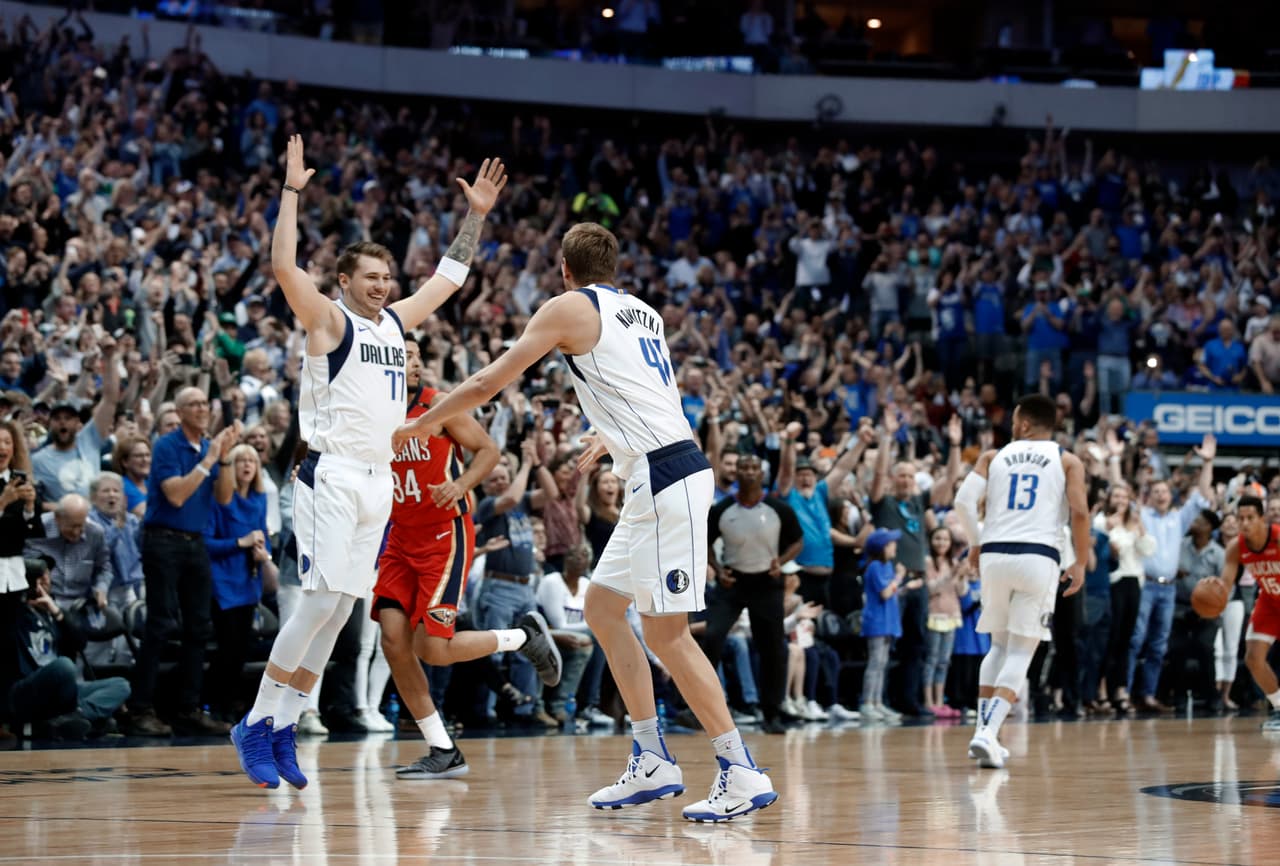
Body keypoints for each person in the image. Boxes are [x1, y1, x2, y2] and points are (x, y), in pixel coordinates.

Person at [394, 222, 777, 822]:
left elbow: (488, 380)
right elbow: (649, 393)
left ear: (564, 269)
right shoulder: (642, 312)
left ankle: (740, 768)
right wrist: (613, 435)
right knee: (601, 606)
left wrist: (423, 422)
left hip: (664, 476)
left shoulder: (569, 306)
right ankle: (651, 757)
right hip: (660, 465)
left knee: (667, 635)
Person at [231, 137, 508, 791]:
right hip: (330, 471)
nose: (383, 286)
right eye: (371, 278)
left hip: (377, 481)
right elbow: (283, 265)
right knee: (317, 604)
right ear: (346, 282)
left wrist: (477, 217)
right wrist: (292, 192)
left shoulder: (394, 324)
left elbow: (448, 279)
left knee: (337, 614)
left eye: (388, 278)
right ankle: (257, 723)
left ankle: (284, 726)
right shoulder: (328, 320)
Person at [375, 338, 558, 781]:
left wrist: (461, 486)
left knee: (433, 650)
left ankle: (522, 636)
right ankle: (442, 748)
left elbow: (489, 452)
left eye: (418, 356)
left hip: (444, 535)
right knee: (394, 642)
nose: (414, 363)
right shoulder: (371, 412)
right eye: (405, 356)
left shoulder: (440, 405)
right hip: (400, 537)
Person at [954, 394, 1090, 769]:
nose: (1011, 427)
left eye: (1014, 420)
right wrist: (1080, 560)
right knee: (1021, 651)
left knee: (997, 646)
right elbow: (1079, 511)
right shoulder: (1067, 460)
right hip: (1037, 555)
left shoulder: (992, 456)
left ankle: (986, 736)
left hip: (995, 554)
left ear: (1025, 424)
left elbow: (964, 503)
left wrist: (975, 543)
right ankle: (987, 732)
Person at [129, 389, 240, 737]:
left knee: (199, 628)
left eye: (205, 403)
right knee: (160, 623)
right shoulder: (166, 445)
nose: (202, 408)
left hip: (195, 543)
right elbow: (176, 495)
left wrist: (223, 458)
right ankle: (140, 709)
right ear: (179, 410)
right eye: (194, 403)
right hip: (162, 540)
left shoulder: (208, 447)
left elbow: (224, 497)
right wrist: (208, 460)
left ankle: (188, 708)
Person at [704, 452, 806, 733]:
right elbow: (704, 542)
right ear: (735, 473)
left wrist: (782, 562)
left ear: (762, 473)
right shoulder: (722, 509)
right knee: (712, 636)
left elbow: (798, 540)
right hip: (733, 582)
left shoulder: (778, 508)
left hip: (767, 583)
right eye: (743, 467)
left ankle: (771, 713)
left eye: (754, 467)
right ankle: (697, 707)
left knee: (772, 648)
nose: (749, 472)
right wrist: (717, 568)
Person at [1130, 435, 1216, 713]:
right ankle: (1126, 694)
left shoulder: (1179, 518)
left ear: (1170, 494)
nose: (1161, 495)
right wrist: (1140, 470)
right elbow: (1134, 492)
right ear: (1150, 496)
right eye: (1156, 492)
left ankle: (1149, 695)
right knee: (1136, 640)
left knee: (1158, 645)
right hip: (1147, 585)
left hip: (1168, 590)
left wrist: (1208, 462)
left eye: (1164, 491)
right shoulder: (1143, 514)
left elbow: (1202, 495)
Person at [205, 444, 277, 720]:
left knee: (241, 650)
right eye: (240, 461)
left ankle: (232, 703)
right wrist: (240, 542)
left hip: (249, 581)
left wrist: (264, 552)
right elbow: (207, 543)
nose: (247, 465)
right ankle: (215, 705)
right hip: (222, 581)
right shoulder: (220, 499)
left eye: (252, 461)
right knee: (226, 648)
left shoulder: (258, 498)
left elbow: (264, 538)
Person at [31, 335, 120, 504]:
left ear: (78, 423)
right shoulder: (38, 460)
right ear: (49, 424)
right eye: (57, 418)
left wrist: (109, 358)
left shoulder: (89, 438)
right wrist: (63, 510)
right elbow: (34, 504)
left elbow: (110, 399)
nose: (63, 422)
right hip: (62, 526)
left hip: (96, 523)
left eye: (68, 418)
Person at [1219, 495, 1280, 731]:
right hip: (1269, 601)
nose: (1244, 523)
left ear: (1262, 519)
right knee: (1253, 658)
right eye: (1240, 518)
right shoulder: (1236, 547)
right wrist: (1214, 590)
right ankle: (1278, 708)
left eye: (1250, 518)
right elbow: (1226, 583)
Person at [860, 529, 907, 722]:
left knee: (882, 663)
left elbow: (892, 593)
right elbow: (885, 593)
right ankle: (867, 703)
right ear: (881, 547)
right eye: (890, 543)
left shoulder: (887, 566)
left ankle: (878, 702)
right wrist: (899, 578)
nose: (894, 546)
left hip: (889, 620)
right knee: (875, 663)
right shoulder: (875, 567)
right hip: (877, 622)